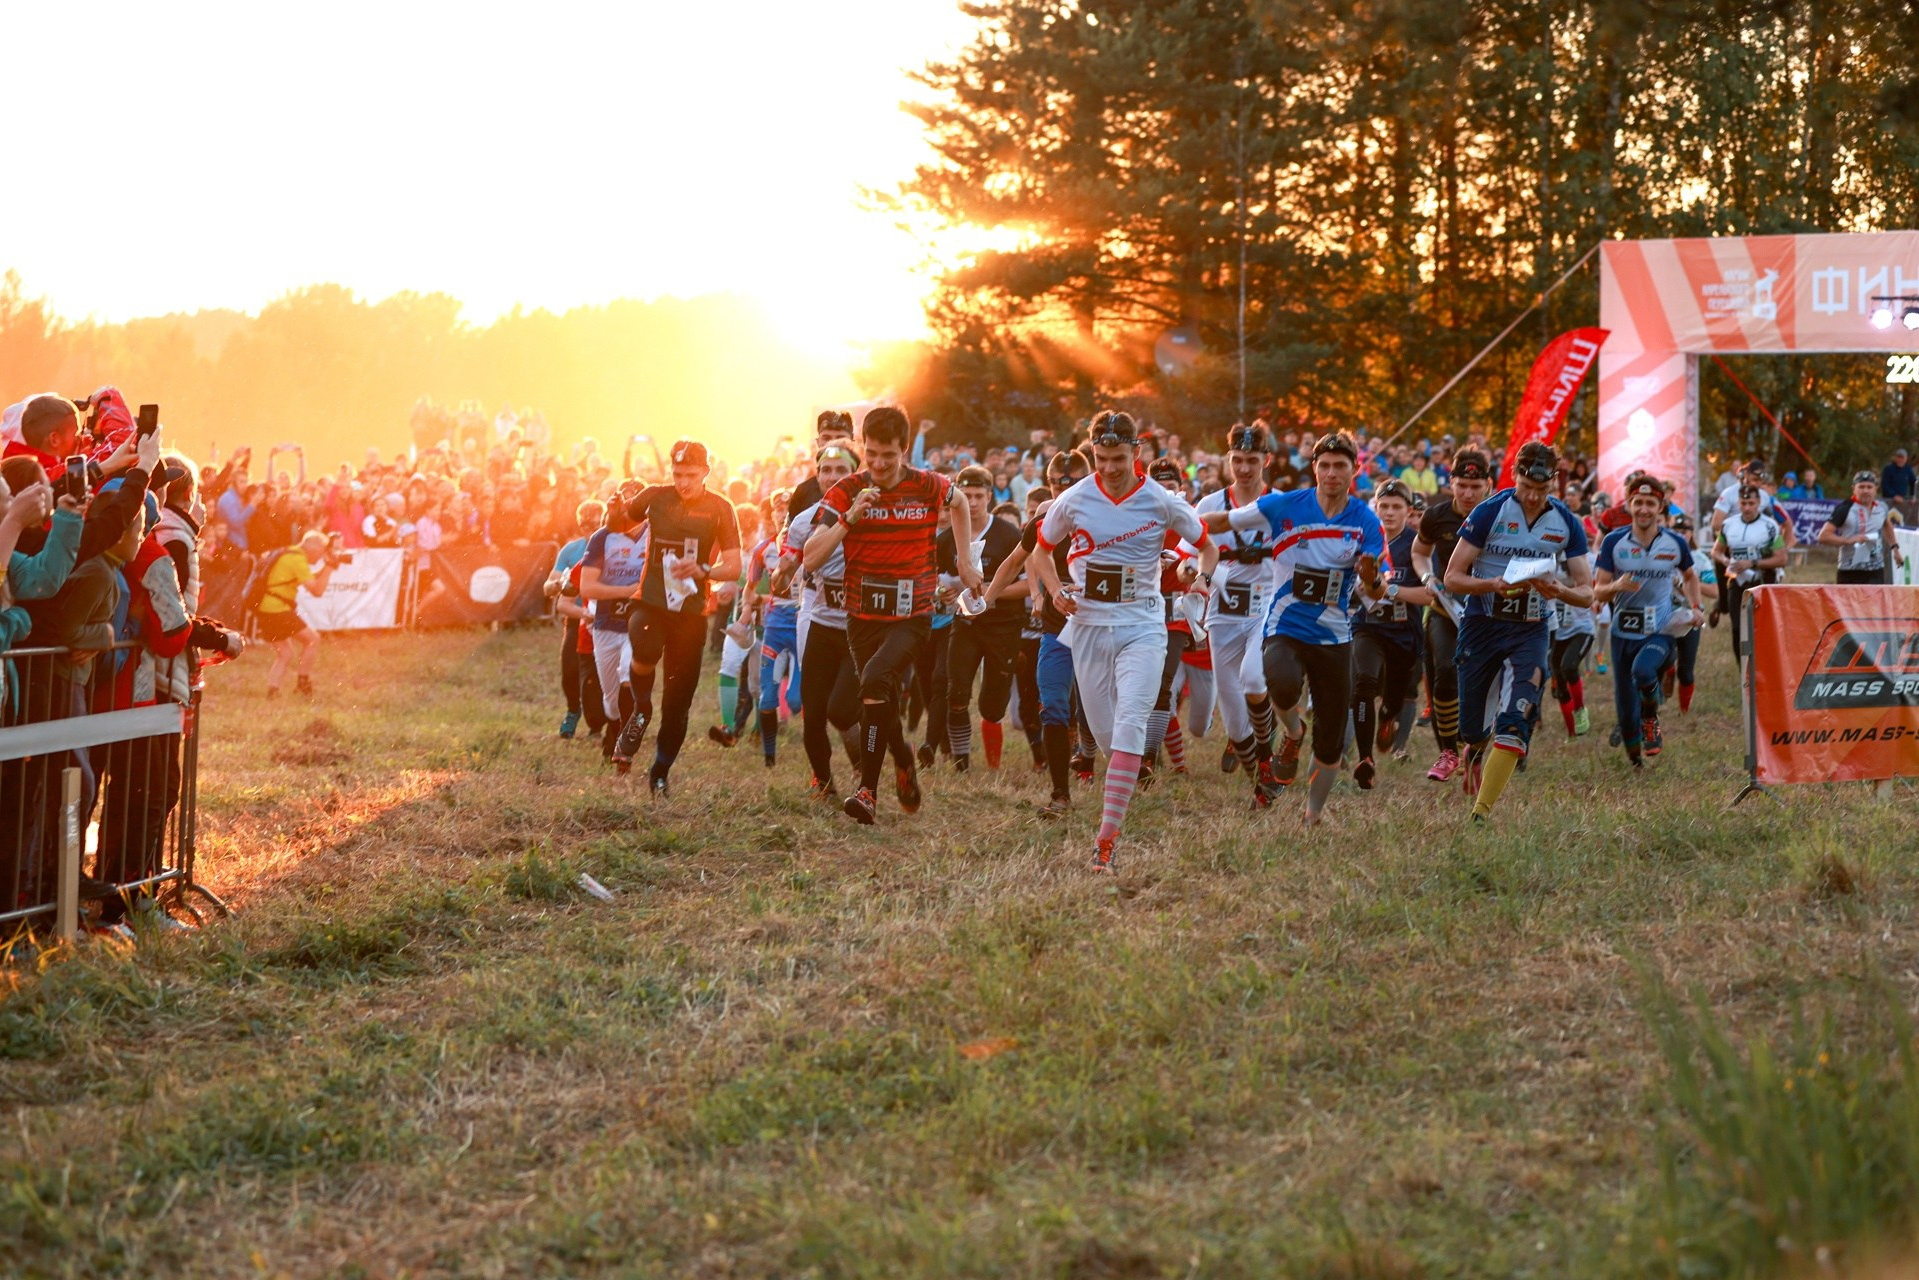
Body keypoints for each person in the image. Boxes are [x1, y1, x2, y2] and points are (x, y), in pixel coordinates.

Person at [1033, 411, 1216, 869]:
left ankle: (1106, 840)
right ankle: (1119, 792)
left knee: (1133, 721)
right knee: (1109, 738)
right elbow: (1039, 550)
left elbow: (1207, 546)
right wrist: (1056, 591)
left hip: (1144, 625)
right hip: (1091, 627)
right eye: (1101, 458)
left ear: (1138, 453)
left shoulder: (1162, 500)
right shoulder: (1074, 498)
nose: (1110, 469)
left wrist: (1199, 577)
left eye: (1118, 458)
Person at [804, 407, 982, 825]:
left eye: (888, 455)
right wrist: (850, 520)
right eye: (872, 454)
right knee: (874, 698)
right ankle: (902, 757)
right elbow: (811, 557)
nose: (879, 464)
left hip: (912, 614)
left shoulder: (928, 485)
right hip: (861, 616)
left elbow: (958, 505)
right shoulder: (847, 490)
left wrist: (964, 560)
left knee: (873, 681)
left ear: (905, 450)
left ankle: (867, 792)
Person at [1202, 430, 1384, 825]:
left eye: (1340, 466)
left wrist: (1370, 578)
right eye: (1325, 465)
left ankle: (1313, 813)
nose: (1332, 473)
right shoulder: (1284, 505)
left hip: (1335, 637)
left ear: (1354, 470)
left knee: (1332, 738)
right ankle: (1292, 731)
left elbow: (1376, 589)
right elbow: (1220, 521)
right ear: (1313, 468)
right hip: (1284, 626)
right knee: (1279, 685)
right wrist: (1175, 524)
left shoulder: (1366, 521)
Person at [1442, 441, 1593, 820]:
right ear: (1515, 477)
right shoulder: (1489, 512)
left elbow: (1588, 593)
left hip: (1530, 630)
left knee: (1515, 720)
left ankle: (1481, 812)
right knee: (1473, 729)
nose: (1531, 496)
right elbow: (1452, 577)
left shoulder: (1566, 522)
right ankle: (1474, 750)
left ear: (1554, 484)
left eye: (1541, 491)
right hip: (1482, 626)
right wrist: (1492, 584)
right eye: (1526, 487)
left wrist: (1559, 590)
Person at [611, 440, 744, 796]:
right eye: (677, 473)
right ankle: (641, 708)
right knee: (643, 649)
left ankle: (659, 772)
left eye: (690, 474)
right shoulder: (656, 496)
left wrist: (704, 569)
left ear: (706, 472)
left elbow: (734, 567)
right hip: (650, 602)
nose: (683, 482)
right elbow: (622, 523)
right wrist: (614, 509)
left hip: (690, 613)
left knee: (678, 702)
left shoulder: (720, 508)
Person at [983, 451, 1090, 817]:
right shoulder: (1045, 519)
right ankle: (1060, 794)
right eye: (1059, 482)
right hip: (1057, 628)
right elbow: (1014, 561)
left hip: (1104, 627)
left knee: (1098, 713)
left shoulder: (1109, 517)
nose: (1066, 488)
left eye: (1074, 481)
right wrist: (985, 598)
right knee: (1053, 704)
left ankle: (1091, 754)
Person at [1592, 476, 1702, 767]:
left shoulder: (1675, 542)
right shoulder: (1613, 542)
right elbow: (1598, 589)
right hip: (1622, 633)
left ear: (1660, 506)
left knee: (1643, 672)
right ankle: (1634, 758)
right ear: (1629, 505)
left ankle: (1651, 718)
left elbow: (1690, 577)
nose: (1643, 509)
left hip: (1660, 628)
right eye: (1638, 502)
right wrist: (1615, 587)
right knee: (1626, 713)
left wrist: (1696, 606)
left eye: (1650, 503)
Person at [779, 444, 865, 799]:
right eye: (825, 469)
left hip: (861, 625)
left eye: (840, 470)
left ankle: (864, 763)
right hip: (820, 619)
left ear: (856, 476)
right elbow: (786, 569)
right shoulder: (805, 519)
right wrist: (781, 572)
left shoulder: (875, 515)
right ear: (817, 474)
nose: (832, 476)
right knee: (812, 709)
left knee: (842, 707)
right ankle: (823, 781)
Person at [1194, 426, 1278, 780]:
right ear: (1228, 460)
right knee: (1232, 716)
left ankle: (1268, 753)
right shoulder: (1210, 505)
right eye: (1238, 460)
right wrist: (1191, 573)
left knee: (1254, 679)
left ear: (1266, 460)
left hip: (1267, 607)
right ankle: (1259, 775)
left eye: (1252, 461)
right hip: (1223, 610)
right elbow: (1191, 551)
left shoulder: (1281, 502)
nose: (1244, 469)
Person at [1410, 447, 1493, 782]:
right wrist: (1427, 576)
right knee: (1443, 670)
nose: (1468, 493)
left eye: (1475, 487)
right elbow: (1419, 552)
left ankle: (1477, 747)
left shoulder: (1499, 515)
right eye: (1461, 485)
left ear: (1488, 484)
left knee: (1480, 682)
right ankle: (1447, 751)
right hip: (1445, 609)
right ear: (1451, 484)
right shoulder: (1436, 516)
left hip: (1487, 612)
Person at [940, 466, 1026, 772]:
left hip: (1003, 625)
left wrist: (992, 592)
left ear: (990, 496)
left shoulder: (1008, 533)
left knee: (992, 703)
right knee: (957, 691)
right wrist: (942, 592)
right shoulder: (948, 536)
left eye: (979, 496)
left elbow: (1030, 584)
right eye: (968, 496)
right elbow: (934, 577)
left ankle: (993, 766)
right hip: (964, 624)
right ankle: (961, 763)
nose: (973, 502)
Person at [1351, 479, 1433, 783]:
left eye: (1396, 507)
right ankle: (1365, 759)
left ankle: (1387, 718)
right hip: (1368, 627)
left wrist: (1391, 590)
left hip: (1404, 632)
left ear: (1408, 510)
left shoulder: (1418, 544)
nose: (1388, 513)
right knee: (1364, 682)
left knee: (1394, 699)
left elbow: (1430, 596)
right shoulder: (1362, 538)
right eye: (1383, 506)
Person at [577, 482, 648, 759]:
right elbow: (587, 588)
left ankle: (625, 745)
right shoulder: (602, 538)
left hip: (640, 621)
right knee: (610, 696)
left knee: (627, 674)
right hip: (606, 622)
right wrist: (626, 591)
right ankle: (614, 726)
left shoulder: (656, 535)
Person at [746, 490, 802, 767]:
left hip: (804, 622)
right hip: (775, 624)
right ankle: (769, 758)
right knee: (768, 697)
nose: (783, 513)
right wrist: (746, 609)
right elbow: (750, 587)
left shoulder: (813, 543)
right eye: (778, 509)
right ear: (771, 514)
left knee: (794, 700)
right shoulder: (763, 549)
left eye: (788, 508)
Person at [253, 531, 341, 699]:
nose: (319, 559)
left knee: (285, 654)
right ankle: (303, 684)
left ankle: (273, 691)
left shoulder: (290, 552)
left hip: (264, 608)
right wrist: (329, 568)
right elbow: (317, 590)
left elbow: (307, 578)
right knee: (312, 640)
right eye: (320, 555)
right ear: (313, 550)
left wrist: (325, 568)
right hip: (277, 609)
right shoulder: (298, 560)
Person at [545, 499, 605, 738]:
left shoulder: (611, 547)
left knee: (600, 672)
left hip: (604, 619)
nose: (590, 530)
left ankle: (598, 723)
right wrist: (557, 584)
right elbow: (549, 584)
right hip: (576, 616)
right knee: (569, 670)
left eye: (596, 524)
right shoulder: (571, 550)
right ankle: (572, 710)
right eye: (585, 525)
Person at [1712, 486, 1786, 660]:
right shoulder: (1729, 524)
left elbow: (1782, 559)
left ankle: (1763, 669)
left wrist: (1753, 563)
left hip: (1762, 582)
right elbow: (1716, 551)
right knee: (1737, 629)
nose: (1747, 508)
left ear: (1759, 503)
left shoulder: (1770, 526)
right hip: (1736, 584)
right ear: (1738, 503)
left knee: (1762, 630)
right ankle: (1743, 674)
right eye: (1743, 503)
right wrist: (1725, 561)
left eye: (1751, 503)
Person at [1819, 470, 1904, 585]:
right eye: (1861, 487)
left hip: (1876, 569)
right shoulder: (1844, 509)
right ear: (1854, 488)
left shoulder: (1882, 507)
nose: (1865, 491)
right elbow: (1823, 536)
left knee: (1874, 604)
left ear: (1876, 489)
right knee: (1849, 604)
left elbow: (1887, 524)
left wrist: (1895, 549)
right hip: (1849, 570)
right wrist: (1848, 540)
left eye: (1869, 487)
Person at [1881, 448, 1915, 524]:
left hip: (1903, 501)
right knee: (1888, 522)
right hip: (1889, 501)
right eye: (1899, 457)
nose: (1900, 460)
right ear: (1895, 458)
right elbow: (1885, 485)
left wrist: (1913, 496)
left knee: (1902, 521)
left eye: (1902, 458)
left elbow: (1914, 483)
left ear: (1906, 459)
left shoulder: (1908, 469)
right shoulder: (1888, 469)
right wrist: (1894, 496)